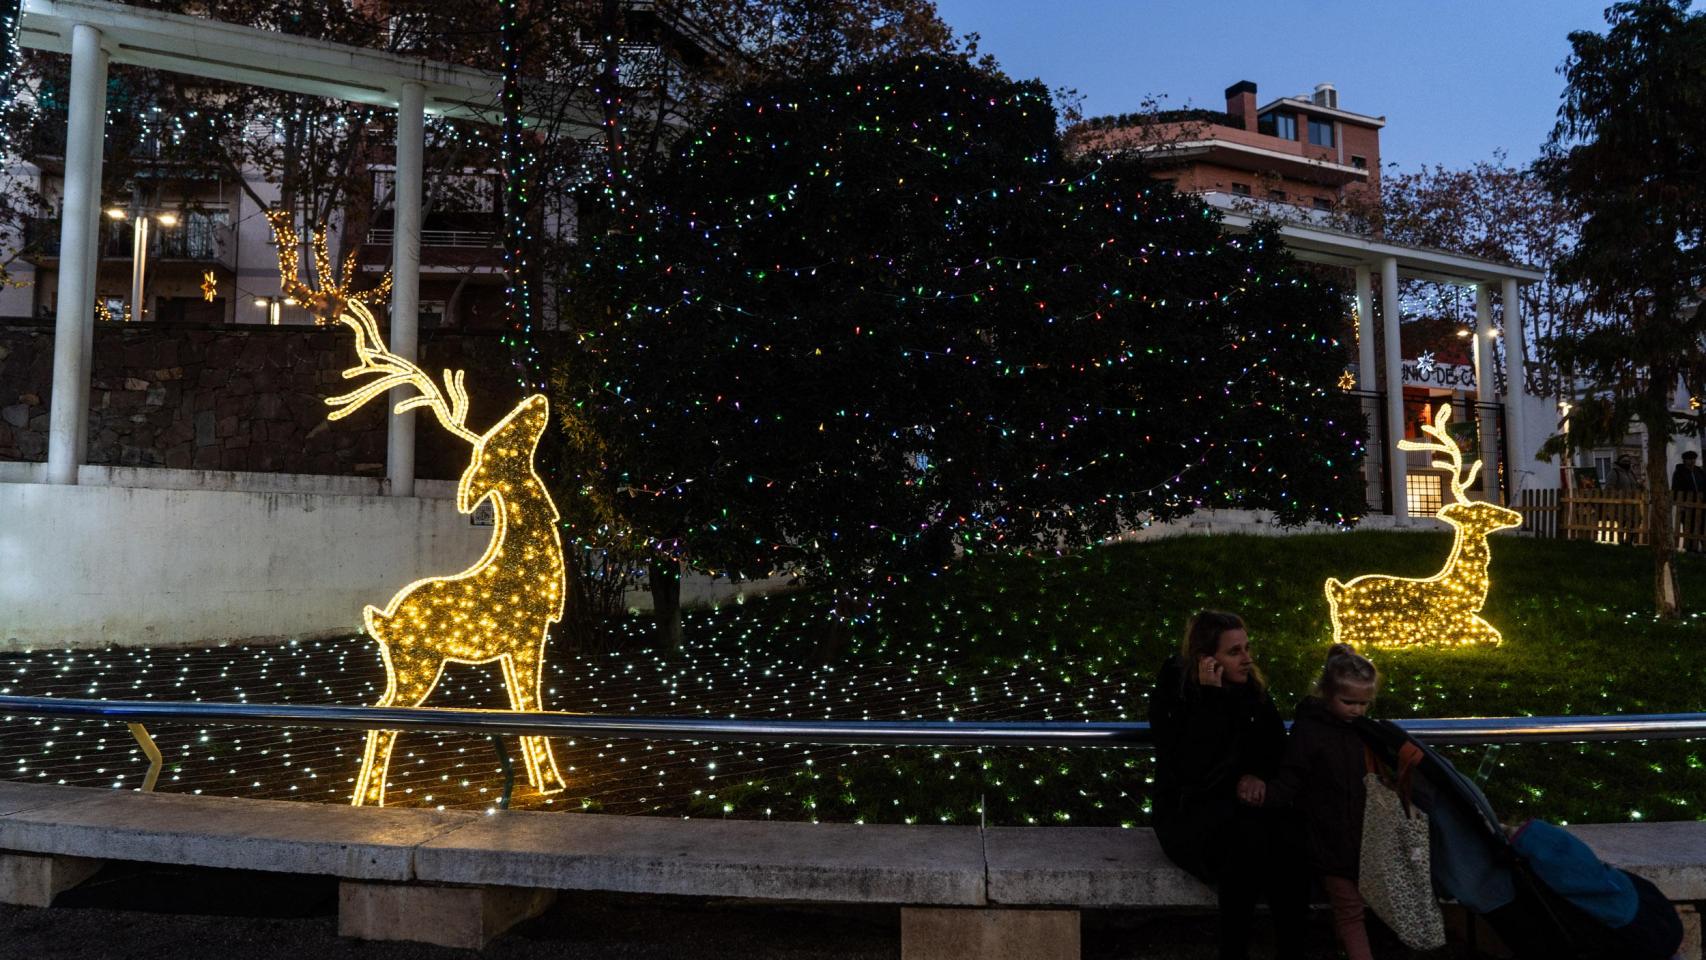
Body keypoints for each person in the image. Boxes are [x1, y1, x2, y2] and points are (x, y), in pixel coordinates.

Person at [1149, 610, 1307, 960]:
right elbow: (1190, 768)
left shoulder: (1251, 691)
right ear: (1206, 659)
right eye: (1234, 652)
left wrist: (1258, 776)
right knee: (1245, 849)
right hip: (1189, 813)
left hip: (1241, 808)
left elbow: (1274, 748)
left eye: (1247, 648)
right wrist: (1212, 698)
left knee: (1287, 845)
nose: (1247, 658)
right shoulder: (1178, 694)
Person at [1258, 643, 1381, 960]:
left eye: (1364, 704)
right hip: (1329, 838)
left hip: (1354, 836)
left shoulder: (1357, 730)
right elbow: (1292, 776)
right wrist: (1265, 795)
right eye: (1349, 702)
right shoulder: (1313, 732)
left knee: (1348, 907)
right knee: (1350, 909)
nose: (1357, 710)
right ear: (1327, 694)